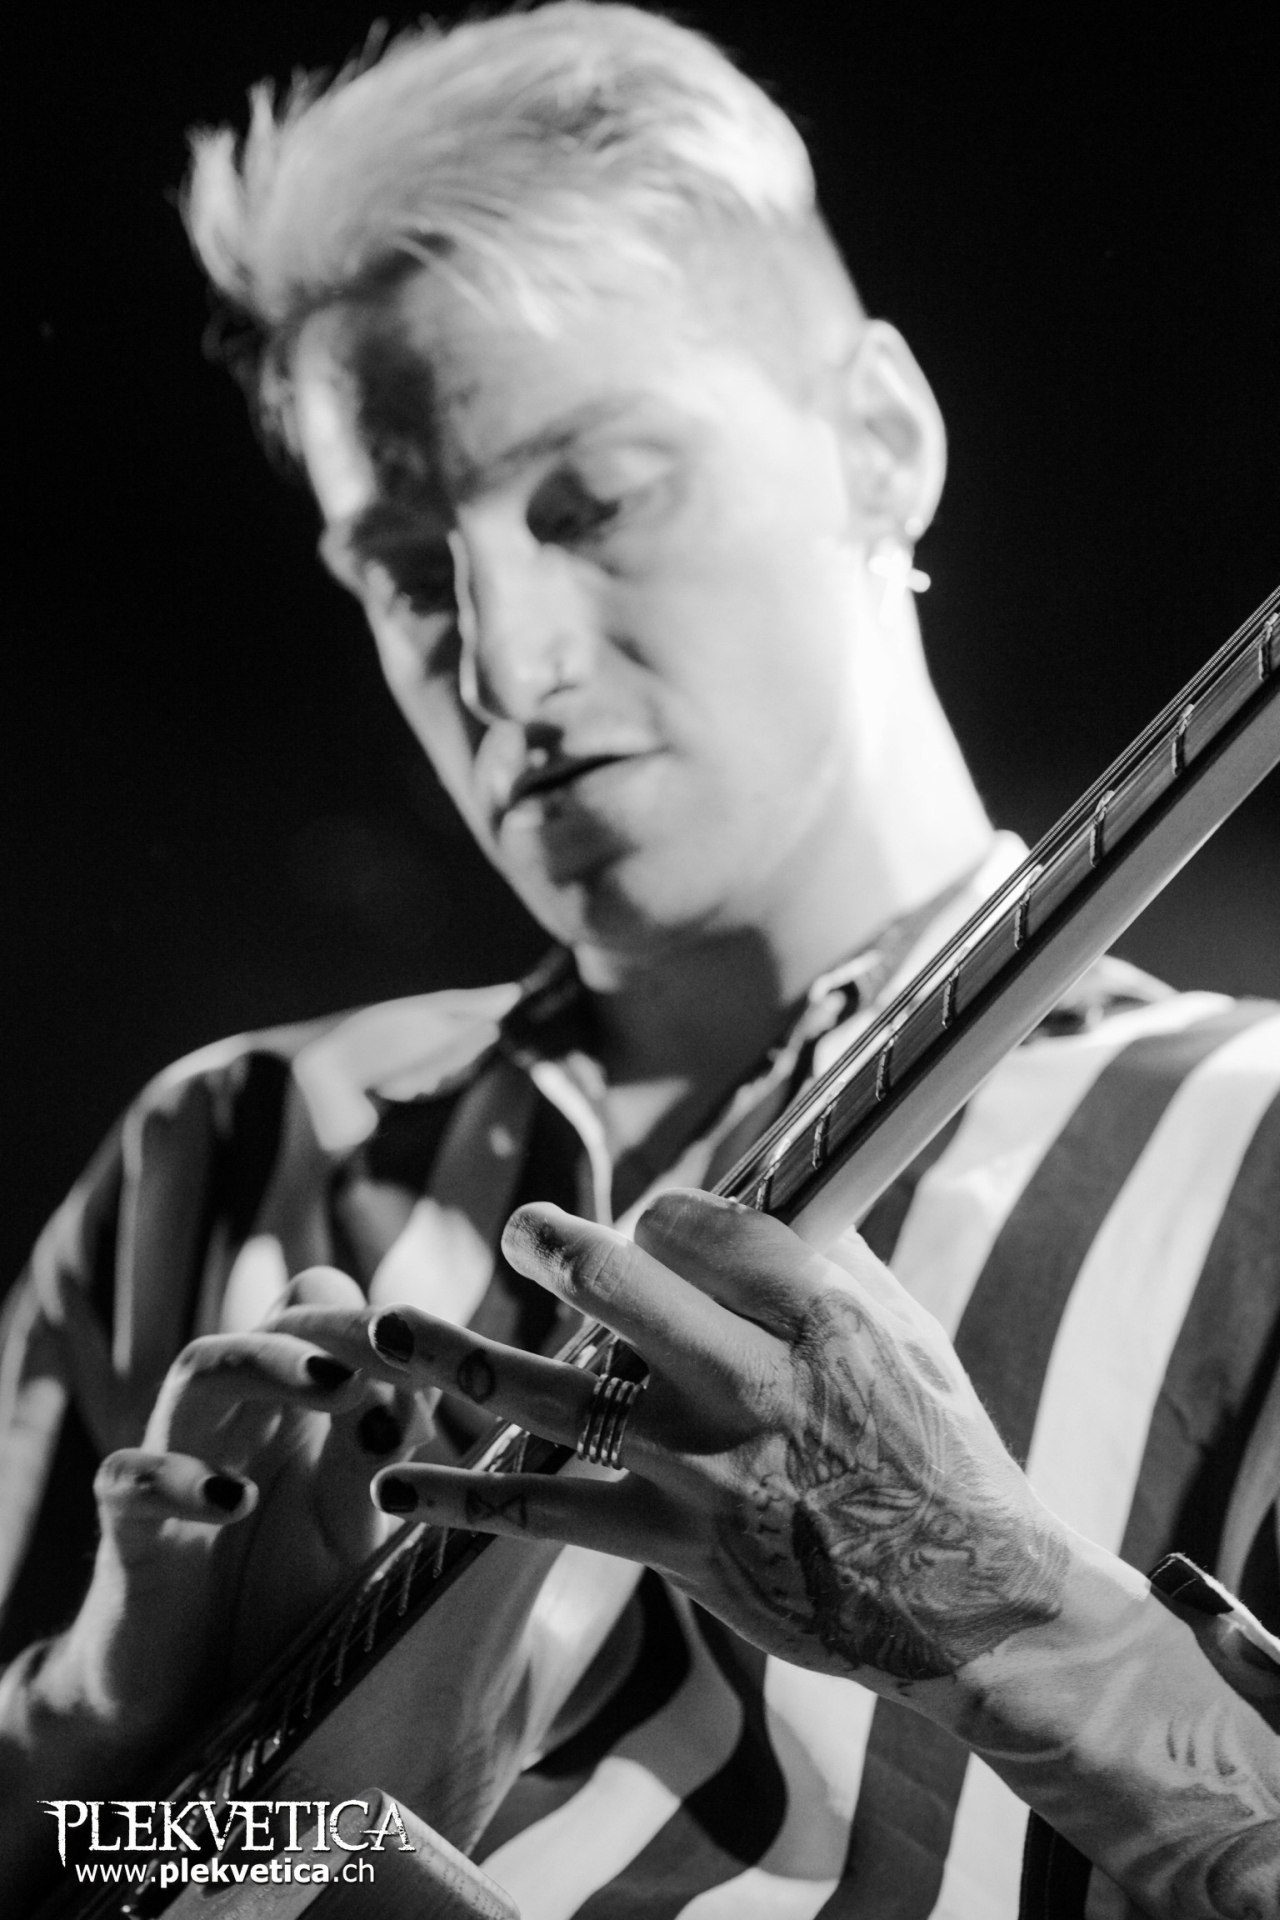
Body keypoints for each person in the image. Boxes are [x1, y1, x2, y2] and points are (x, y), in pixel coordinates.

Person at [1, 4, 1278, 1913]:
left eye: (592, 503)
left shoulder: (1258, 1152)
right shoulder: (226, 1148)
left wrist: (1016, 1623)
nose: (506, 664)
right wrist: (124, 1748)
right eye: (406, 571)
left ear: (881, 440)